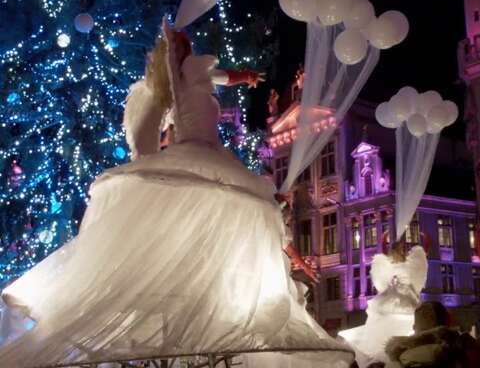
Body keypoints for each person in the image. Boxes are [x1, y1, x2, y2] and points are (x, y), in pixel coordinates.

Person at [0, 19, 353, 368]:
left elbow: (216, 77)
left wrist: (242, 77)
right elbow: (155, 117)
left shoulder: (192, 76)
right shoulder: (181, 78)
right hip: (194, 152)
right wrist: (230, 75)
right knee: (198, 209)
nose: (188, 48)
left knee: (230, 208)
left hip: (212, 155)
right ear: (174, 54)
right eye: (182, 45)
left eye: (186, 44)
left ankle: (212, 296)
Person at [339, 235, 428, 368]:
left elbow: (422, 257)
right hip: (395, 294)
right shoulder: (390, 264)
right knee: (387, 315)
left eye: (403, 248)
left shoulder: (408, 264)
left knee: (402, 315)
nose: (403, 250)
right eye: (401, 248)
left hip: (403, 294)